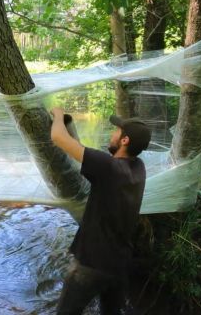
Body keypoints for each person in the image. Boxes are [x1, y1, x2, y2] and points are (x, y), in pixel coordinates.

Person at [49, 108, 151, 315]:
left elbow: (57, 137)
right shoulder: (138, 168)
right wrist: (70, 125)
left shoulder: (108, 168)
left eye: (117, 131)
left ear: (125, 141)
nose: (112, 134)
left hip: (92, 264)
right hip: (119, 264)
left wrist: (58, 115)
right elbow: (84, 153)